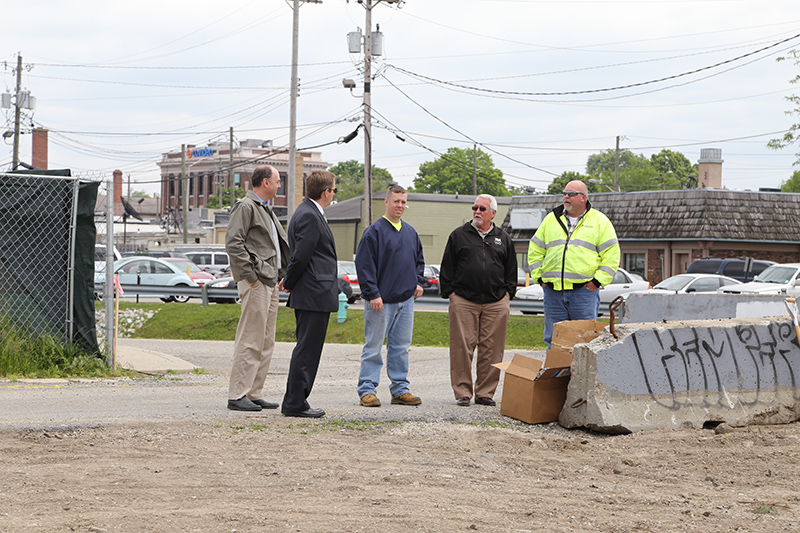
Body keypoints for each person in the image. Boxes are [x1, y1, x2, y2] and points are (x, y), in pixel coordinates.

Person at [439, 194, 517, 407]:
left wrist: (508, 293)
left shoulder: (503, 238)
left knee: (492, 349)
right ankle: (463, 392)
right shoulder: (459, 235)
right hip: (464, 300)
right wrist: (451, 293)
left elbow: (511, 269)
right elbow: (447, 266)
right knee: (462, 347)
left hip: (496, 302)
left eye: (482, 209)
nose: (477, 212)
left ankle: (485, 393)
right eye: (475, 208)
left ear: (493, 213)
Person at [225, 165, 290, 411]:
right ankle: (237, 394)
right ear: (264, 182)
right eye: (276, 181)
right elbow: (233, 242)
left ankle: (253, 393)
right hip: (257, 281)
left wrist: (279, 275)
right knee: (250, 338)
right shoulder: (246, 207)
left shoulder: (265, 210)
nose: (279, 185)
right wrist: (250, 276)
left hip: (269, 280)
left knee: (265, 340)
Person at [354, 184, 425, 408]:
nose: (400, 206)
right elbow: (364, 266)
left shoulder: (411, 232)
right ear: (386, 202)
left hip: (406, 301)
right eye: (396, 201)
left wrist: (418, 281)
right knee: (373, 347)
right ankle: (367, 389)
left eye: (403, 202)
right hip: (380, 302)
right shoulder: (374, 232)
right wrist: (373, 293)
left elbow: (418, 261)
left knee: (401, 347)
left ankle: (400, 389)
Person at [528, 180, 620, 348]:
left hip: (583, 294)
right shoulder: (551, 220)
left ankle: (581, 375)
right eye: (564, 193)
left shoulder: (600, 221)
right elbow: (535, 250)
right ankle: (556, 374)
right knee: (555, 341)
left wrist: (597, 282)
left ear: (583, 197)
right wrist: (540, 278)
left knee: (584, 341)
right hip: (553, 293)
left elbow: (611, 255)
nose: (566, 197)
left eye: (571, 194)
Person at [279, 170, 339, 418]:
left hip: (314, 292)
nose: (334, 194)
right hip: (313, 292)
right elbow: (301, 255)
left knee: (308, 348)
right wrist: (289, 281)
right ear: (326, 192)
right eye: (334, 190)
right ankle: (295, 402)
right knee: (307, 349)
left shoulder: (309, 212)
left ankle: (297, 399)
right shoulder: (309, 216)